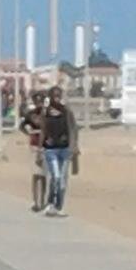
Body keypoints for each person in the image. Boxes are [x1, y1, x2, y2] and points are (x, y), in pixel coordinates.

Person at [40, 85, 78, 217]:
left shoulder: (67, 111)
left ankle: (59, 206)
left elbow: (73, 128)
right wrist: (40, 148)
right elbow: (42, 130)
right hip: (51, 150)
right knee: (55, 177)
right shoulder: (46, 112)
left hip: (65, 149)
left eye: (58, 96)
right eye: (54, 96)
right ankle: (50, 203)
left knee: (62, 181)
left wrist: (74, 147)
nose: (57, 98)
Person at [19, 90, 48, 212]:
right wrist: (29, 133)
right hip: (34, 145)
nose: (39, 103)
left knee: (43, 175)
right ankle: (36, 202)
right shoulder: (31, 114)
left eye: (40, 100)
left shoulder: (47, 114)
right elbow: (22, 126)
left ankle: (42, 201)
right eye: (37, 101)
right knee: (36, 174)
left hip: (46, 146)